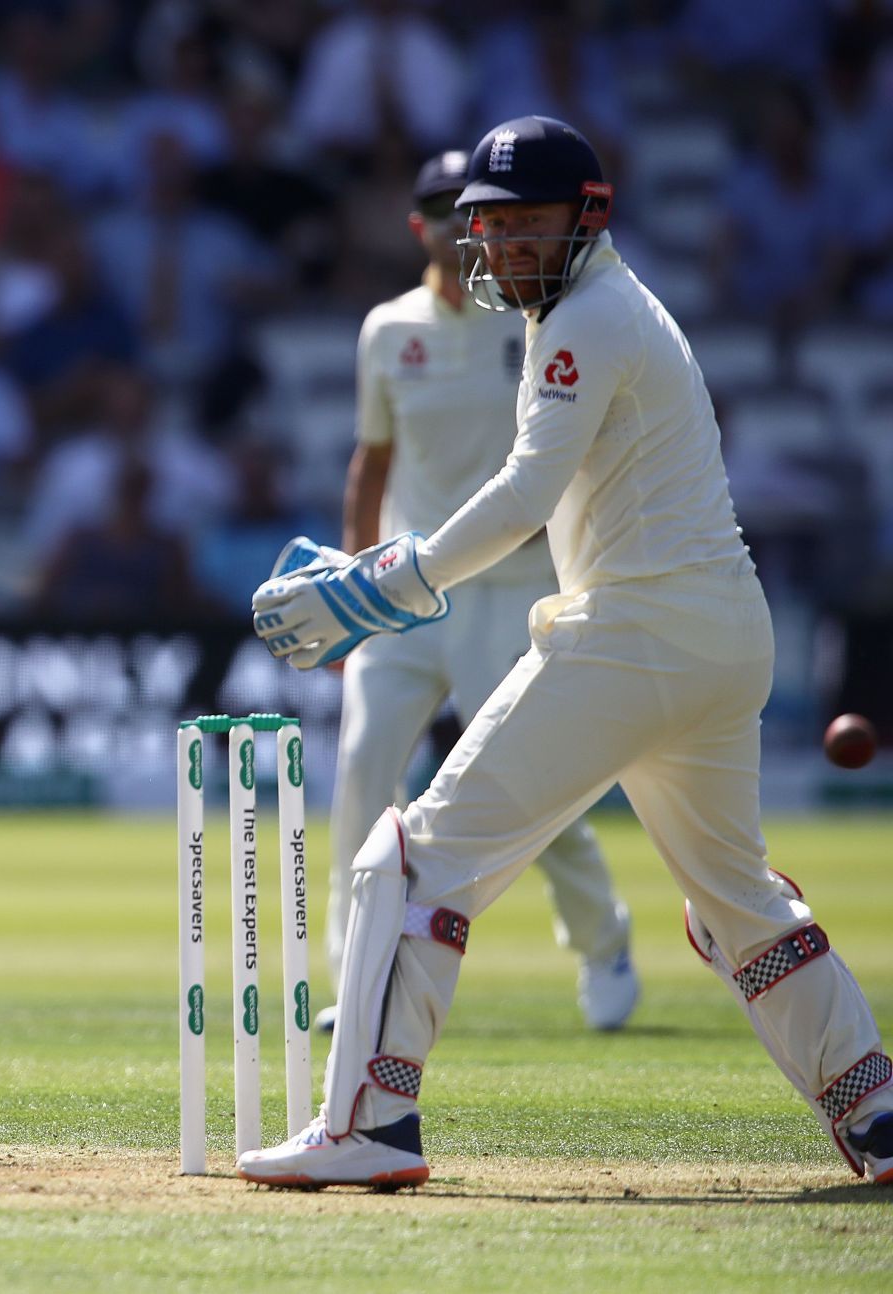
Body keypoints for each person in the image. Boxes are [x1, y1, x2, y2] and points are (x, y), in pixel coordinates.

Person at [242, 117, 892, 1189]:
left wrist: (384, 583)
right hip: (721, 635)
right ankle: (874, 1105)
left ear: (588, 218)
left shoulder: (585, 319)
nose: (503, 248)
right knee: (734, 903)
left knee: (409, 858)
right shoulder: (613, 307)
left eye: (527, 224)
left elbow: (523, 496)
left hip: (633, 633)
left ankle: (369, 1120)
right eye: (489, 228)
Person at [320, 149, 637, 1038]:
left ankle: (602, 939)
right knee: (361, 774)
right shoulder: (388, 329)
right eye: (436, 211)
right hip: (403, 592)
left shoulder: (535, 319)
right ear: (418, 227)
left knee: (529, 791)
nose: (460, 230)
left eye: (470, 214)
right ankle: (360, 974)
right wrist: (354, 588)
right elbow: (370, 464)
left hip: (511, 589)